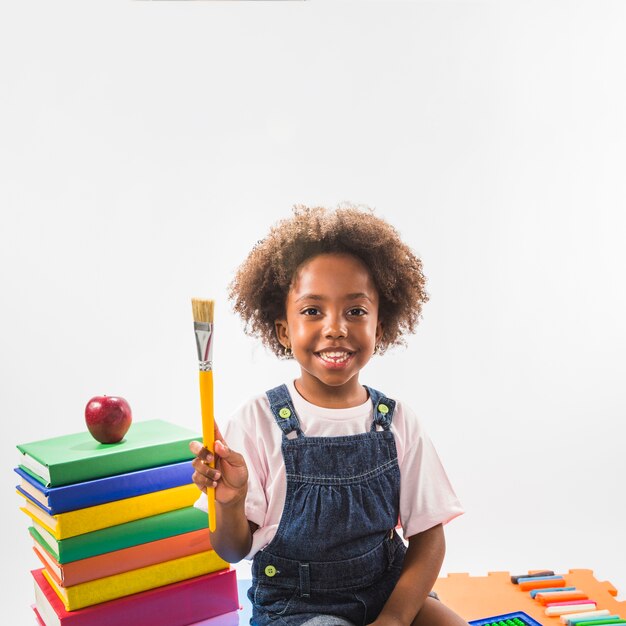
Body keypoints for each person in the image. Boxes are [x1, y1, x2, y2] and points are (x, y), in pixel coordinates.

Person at [190, 205, 467, 626]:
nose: (335, 327)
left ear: (380, 324)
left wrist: (394, 618)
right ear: (283, 328)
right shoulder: (255, 421)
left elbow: (429, 538)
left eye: (356, 311)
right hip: (297, 609)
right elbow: (231, 549)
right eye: (312, 310)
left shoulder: (396, 422)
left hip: (387, 592)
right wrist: (228, 502)